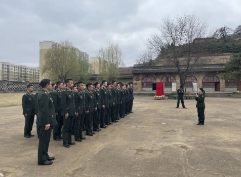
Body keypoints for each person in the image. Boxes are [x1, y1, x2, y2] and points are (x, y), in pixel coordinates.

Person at [37, 79, 57, 165]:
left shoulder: (45, 94)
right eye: (51, 84)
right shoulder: (44, 95)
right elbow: (44, 110)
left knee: (46, 140)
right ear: (47, 85)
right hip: (45, 121)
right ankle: (42, 159)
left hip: (47, 120)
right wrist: (47, 122)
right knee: (43, 141)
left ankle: (45, 155)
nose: (52, 86)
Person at [61, 79, 76, 148]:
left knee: (70, 127)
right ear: (67, 84)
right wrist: (65, 112)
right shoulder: (64, 92)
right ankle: (65, 142)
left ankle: (69, 140)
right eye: (71, 83)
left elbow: (73, 103)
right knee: (66, 128)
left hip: (72, 111)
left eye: (72, 83)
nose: (72, 84)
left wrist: (75, 111)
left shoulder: (71, 92)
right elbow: (63, 104)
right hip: (67, 112)